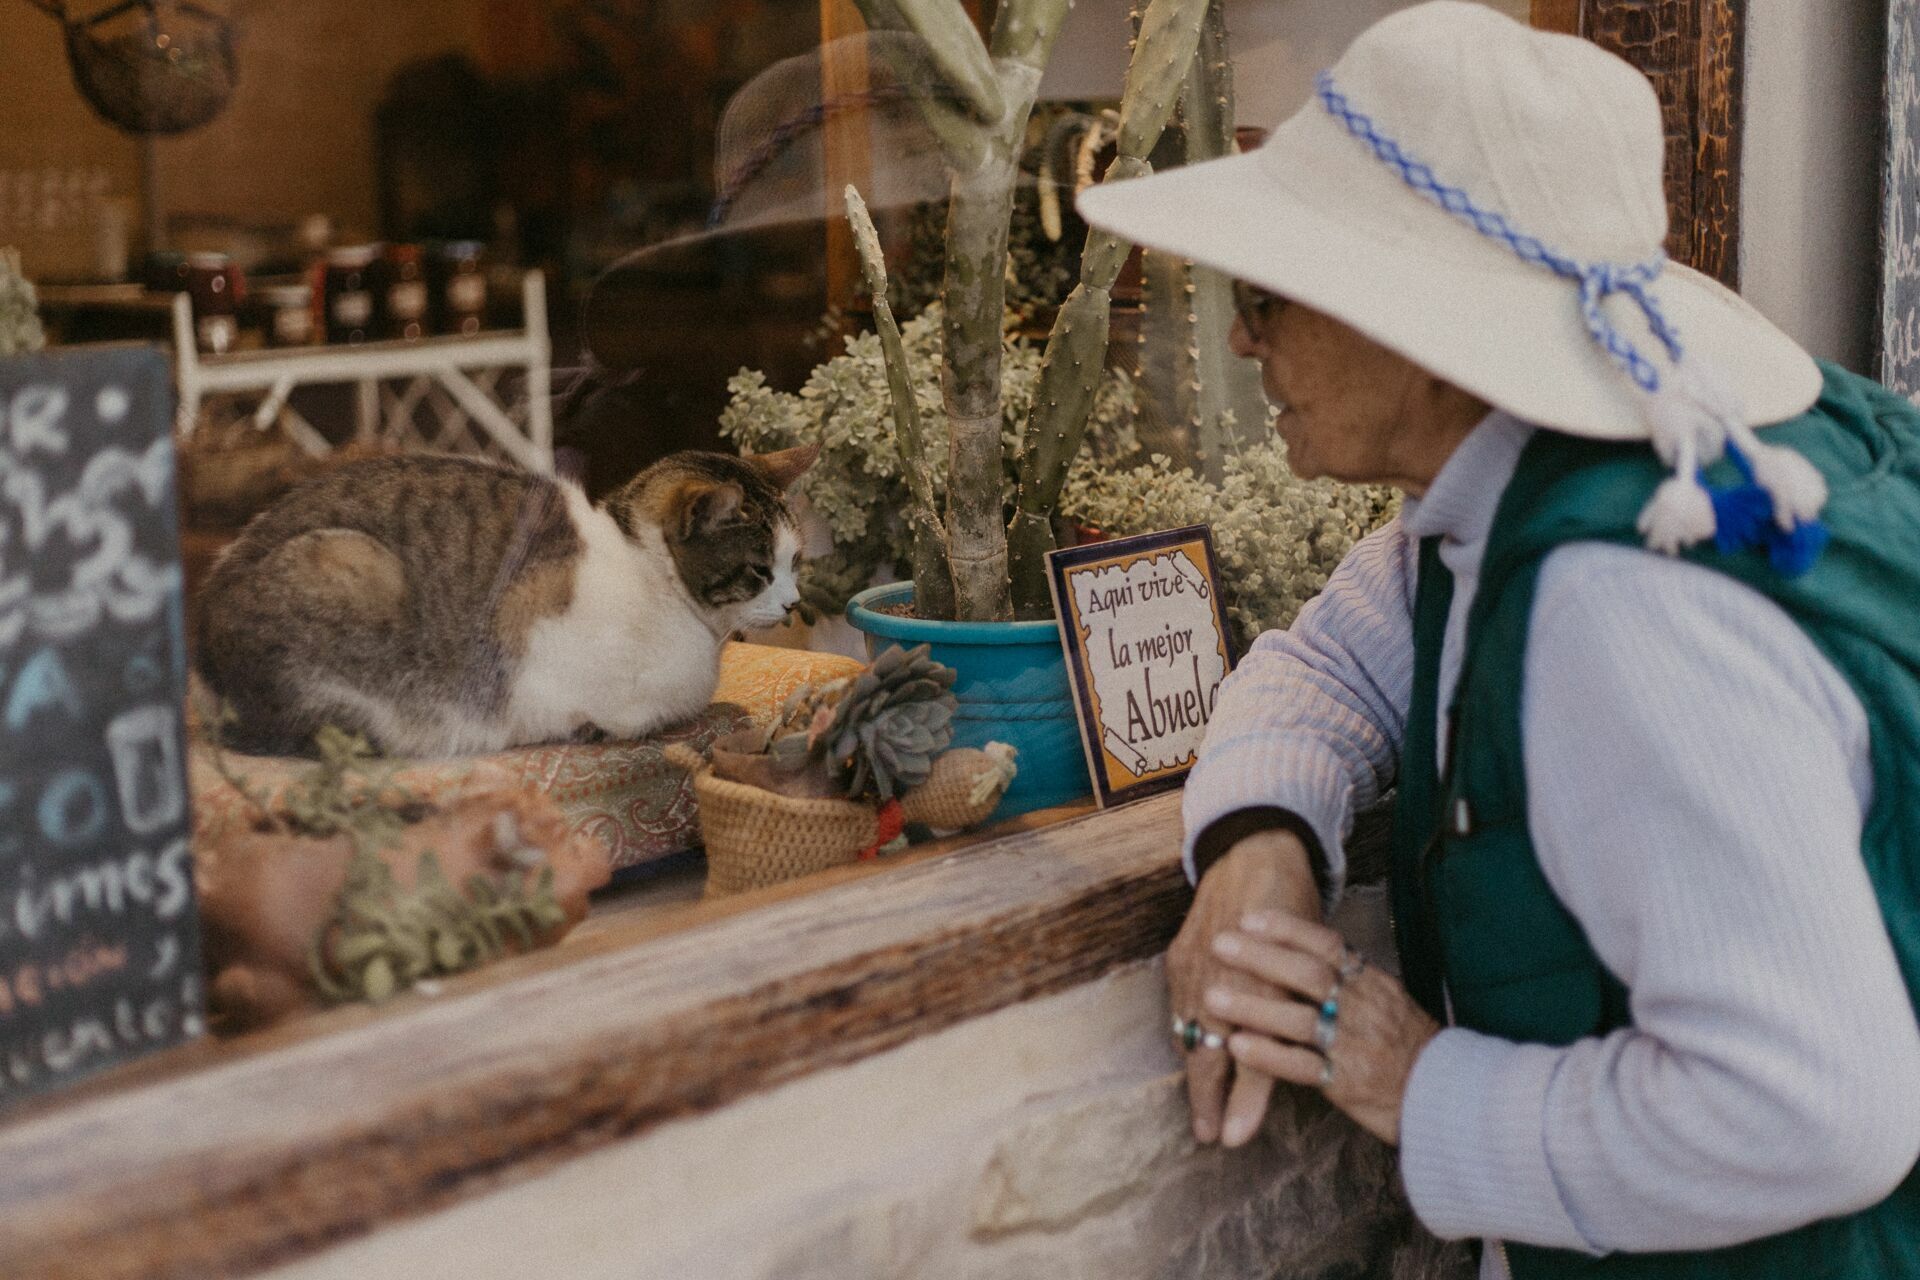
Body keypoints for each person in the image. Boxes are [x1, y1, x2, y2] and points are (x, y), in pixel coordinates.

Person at [1076, 3, 1920, 1277]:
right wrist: (1259, 843)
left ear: (1419, 328)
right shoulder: (1574, 471)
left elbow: (1814, 1110)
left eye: (1267, 293)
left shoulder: (1618, 606)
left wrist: (1421, 1086)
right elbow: (1334, 661)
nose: (1243, 336)